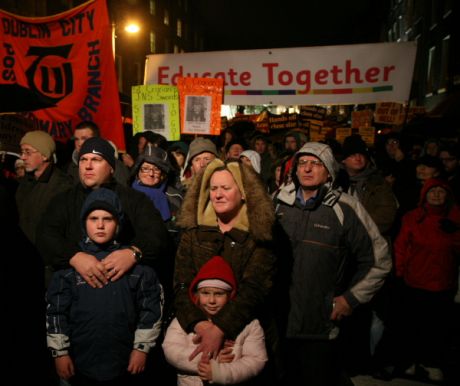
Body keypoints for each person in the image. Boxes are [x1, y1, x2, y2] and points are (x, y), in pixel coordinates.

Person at [274, 142, 392, 385]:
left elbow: (379, 260)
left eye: (316, 164)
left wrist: (351, 298)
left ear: (329, 171)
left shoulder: (345, 207)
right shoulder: (277, 202)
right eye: (302, 163)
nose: (307, 169)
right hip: (277, 321)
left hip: (319, 324)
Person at [46, 188, 163, 385]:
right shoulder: (68, 269)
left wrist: (141, 349)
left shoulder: (137, 270)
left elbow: (151, 309)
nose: (100, 225)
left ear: (118, 223)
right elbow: (55, 312)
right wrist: (60, 353)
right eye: (93, 218)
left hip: (124, 363)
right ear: (84, 222)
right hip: (79, 362)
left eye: (107, 219)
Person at [173, 159, 277, 375]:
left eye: (226, 188)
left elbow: (255, 288)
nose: (218, 194)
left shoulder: (258, 237)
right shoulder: (193, 234)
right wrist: (200, 325)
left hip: (243, 337)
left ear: (243, 193)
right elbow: (181, 285)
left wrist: (220, 328)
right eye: (213, 188)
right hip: (195, 336)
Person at [36, 137, 172, 289]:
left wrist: (134, 253)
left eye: (96, 159)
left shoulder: (134, 200)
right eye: (83, 160)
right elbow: (45, 235)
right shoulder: (63, 200)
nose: (88, 166)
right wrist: (74, 256)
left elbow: (157, 235)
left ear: (111, 168)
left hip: (123, 291)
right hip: (74, 292)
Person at [163, 255, 268, 385]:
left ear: (230, 296)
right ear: (197, 295)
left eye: (219, 294)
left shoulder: (250, 324)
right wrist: (210, 359)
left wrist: (219, 372)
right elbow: (171, 350)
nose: (212, 301)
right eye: (205, 293)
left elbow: (256, 360)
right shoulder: (184, 320)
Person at [394, 178, 460, 383]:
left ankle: (432, 364)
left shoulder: (456, 218)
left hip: (442, 282)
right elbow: (401, 246)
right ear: (424, 195)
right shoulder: (413, 218)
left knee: (437, 327)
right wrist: (399, 272)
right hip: (415, 281)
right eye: (433, 191)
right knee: (414, 325)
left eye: (441, 191)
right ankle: (411, 362)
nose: (437, 195)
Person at [67, 121, 130, 186]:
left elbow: (122, 193)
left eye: (84, 138)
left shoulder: (116, 167)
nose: (79, 143)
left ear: (96, 139)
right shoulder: (72, 167)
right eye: (76, 139)